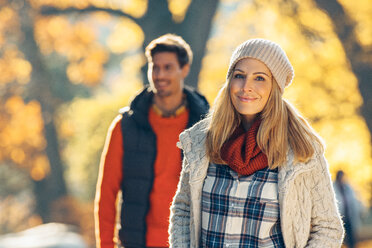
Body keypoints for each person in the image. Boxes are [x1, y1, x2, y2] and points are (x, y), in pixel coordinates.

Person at [169, 38, 344, 247]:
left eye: (259, 78)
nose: (246, 87)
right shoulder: (203, 141)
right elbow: (183, 209)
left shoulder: (302, 150)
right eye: (239, 76)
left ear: (275, 87)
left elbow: (328, 228)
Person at [94, 34, 209, 248]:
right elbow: (107, 194)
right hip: (137, 242)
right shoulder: (125, 126)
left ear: (184, 69)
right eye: (155, 67)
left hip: (189, 242)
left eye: (168, 67)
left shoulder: (206, 127)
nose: (160, 74)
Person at [334, 170, 364, 248]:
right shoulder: (333, 188)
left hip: (349, 217)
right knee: (340, 240)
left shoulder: (348, 188)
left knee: (352, 240)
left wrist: (360, 210)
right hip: (339, 218)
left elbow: (354, 201)